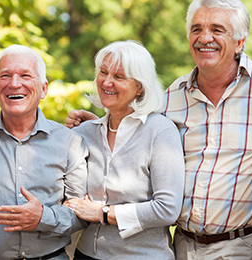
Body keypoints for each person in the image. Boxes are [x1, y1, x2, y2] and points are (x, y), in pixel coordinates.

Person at [66, 0, 252, 259]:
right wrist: (97, 124)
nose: (204, 38)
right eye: (196, 29)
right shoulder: (174, 96)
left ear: (240, 42)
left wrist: (104, 213)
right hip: (183, 245)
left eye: (217, 30)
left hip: (241, 245)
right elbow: (135, 127)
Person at [0, 44, 88, 260]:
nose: (15, 84)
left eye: (25, 75)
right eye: (5, 76)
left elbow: (81, 213)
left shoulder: (70, 142)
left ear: (43, 89)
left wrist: (44, 217)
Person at [63, 40, 185, 259]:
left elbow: (167, 209)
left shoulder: (160, 131)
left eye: (118, 77)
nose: (107, 82)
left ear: (140, 86)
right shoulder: (85, 132)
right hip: (86, 254)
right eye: (103, 72)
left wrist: (103, 213)